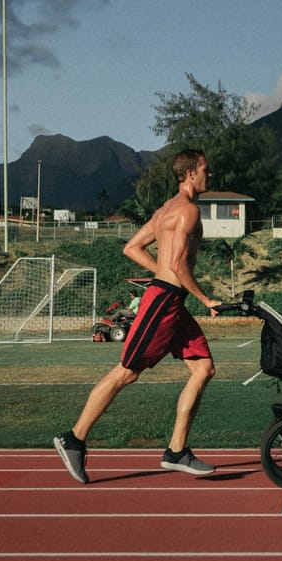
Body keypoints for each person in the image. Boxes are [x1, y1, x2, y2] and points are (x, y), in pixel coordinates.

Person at [53, 149, 223, 484]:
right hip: (163, 303)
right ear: (190, 173)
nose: (210, 175)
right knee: (127, 373)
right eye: (205, 169)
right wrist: (206, 299)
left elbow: (131, 247)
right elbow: (176, 265)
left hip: (172, 301)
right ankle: (74, 438)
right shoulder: (186, 211)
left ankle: (176, 450)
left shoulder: (166, 210)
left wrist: (165, 273)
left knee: (203, 368)